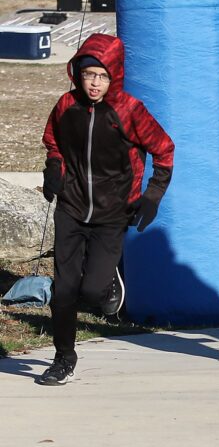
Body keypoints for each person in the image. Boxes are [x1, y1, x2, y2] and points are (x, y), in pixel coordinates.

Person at [39, 34, 175, 385]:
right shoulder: (66, 105)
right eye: (88, 75)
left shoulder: (129, 110)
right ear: (77, 75)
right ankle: (63, 358)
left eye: (102, 76)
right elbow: (53, 140)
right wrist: (53, 168)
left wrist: (152, 195)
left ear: (114, 75)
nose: (94, 83)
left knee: (91, 292)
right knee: (64, 291)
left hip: (112, 213)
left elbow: (164, 150)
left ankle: (107, 282)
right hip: (70, 208)